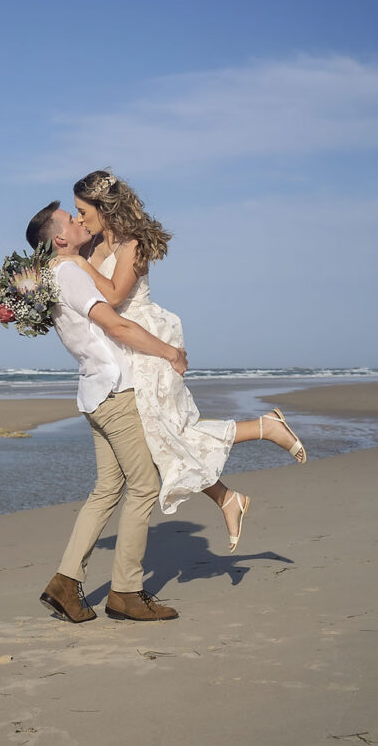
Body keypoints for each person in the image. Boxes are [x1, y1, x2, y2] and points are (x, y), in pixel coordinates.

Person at [60, 169, 306, 550]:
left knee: (169, 431)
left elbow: (111, 296)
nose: (78, 218)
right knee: (162, 438)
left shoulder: (132, 244)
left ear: (103, 207)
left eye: (82, 210)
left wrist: (79, 263)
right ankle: (229, 497)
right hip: (121, 348)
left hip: (146, 340)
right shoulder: (92, 246)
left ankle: (265, 428)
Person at [25, 201, 187, 624]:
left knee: (107, 489)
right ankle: (126, 592)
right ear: (59, 239)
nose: (79, 221)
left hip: (95, 393)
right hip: (115, 391)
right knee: (145, 485)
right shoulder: (69, 273)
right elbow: (115, 325)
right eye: (71, 219)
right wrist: (170, 351)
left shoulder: (52, 276)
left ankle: (65, 583)